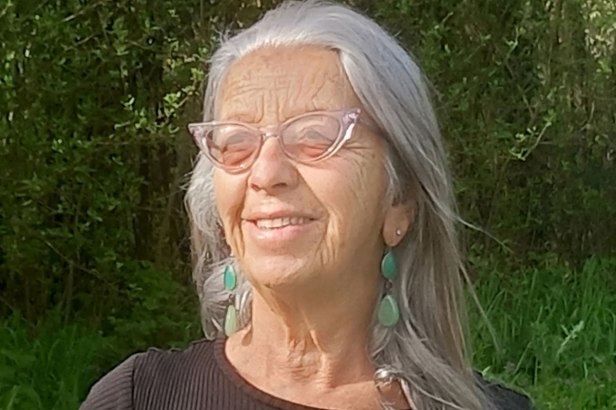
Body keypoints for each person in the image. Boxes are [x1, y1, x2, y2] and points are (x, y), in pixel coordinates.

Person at [81, 1, 533, 409]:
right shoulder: (138, 397)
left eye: (315, 136)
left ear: (400, 199)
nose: (266, 173)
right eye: (236, 142)